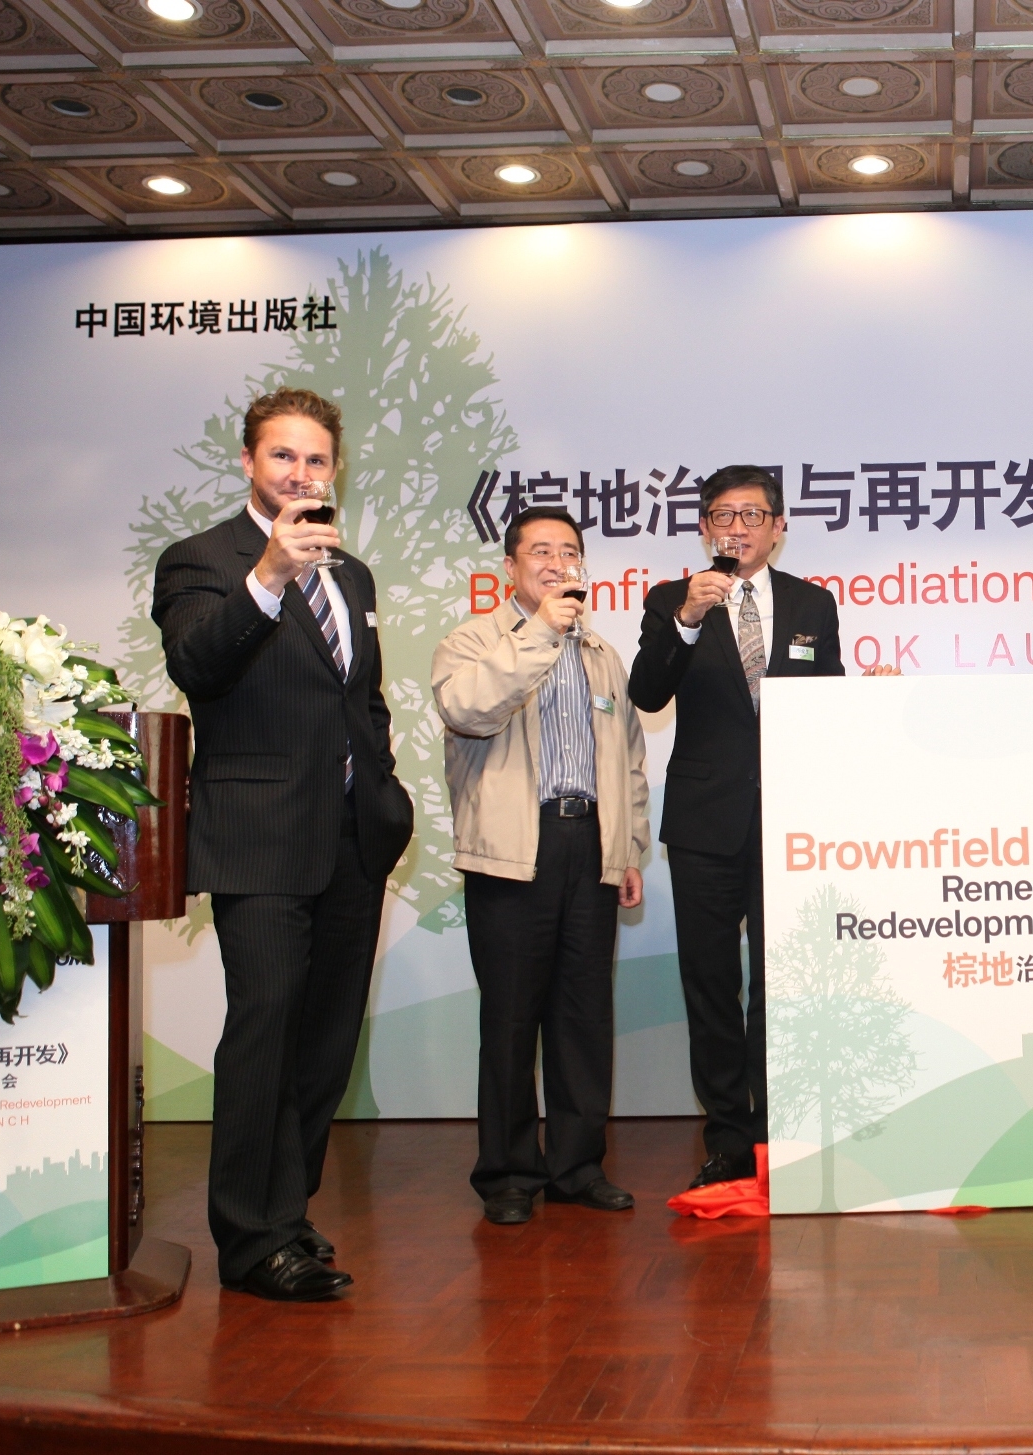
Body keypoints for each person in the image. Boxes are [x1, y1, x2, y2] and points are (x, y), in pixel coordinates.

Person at [152, 388, 413, 1301]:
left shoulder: (354, 575)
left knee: (324, 1042)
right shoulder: (203, 560)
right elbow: (196, 664)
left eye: (316, 459)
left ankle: (287, 1214)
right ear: (248, 462)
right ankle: (248, 1238)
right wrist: (267, 574)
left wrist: (385, 794)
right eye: (283, 456)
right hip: (259, 838)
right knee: (264, 1030)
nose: (301, 473)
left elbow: (363, 700)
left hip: (351, 838)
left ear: (335, 469)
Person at [627, 465, 846, 1191]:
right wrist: (688, 621)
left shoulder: (813, 603)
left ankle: (776, 1134)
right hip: (704, 823)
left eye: (753, 515)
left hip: (790, 822)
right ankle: (725, 1138)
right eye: (723, 515)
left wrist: (865, 704)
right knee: (712, 984)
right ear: (703, 529)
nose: (738, 527)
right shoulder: (672, 598)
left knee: (781, 984)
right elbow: (646, 692)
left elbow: (828, 705)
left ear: (778, 528)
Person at [432, 506, 650, 1226]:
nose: (558, 564)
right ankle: (507, 1173)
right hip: (511, 853)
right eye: (541, 552)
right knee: (510, 1017)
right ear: (510, 567)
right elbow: (468, 711)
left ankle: (577, 1167)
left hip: (589, 844)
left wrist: (628, 847)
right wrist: (541, 633)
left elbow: (629, 758)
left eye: (569, 552)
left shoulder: (602, 653)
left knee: (583, 1015)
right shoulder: (473, 641)